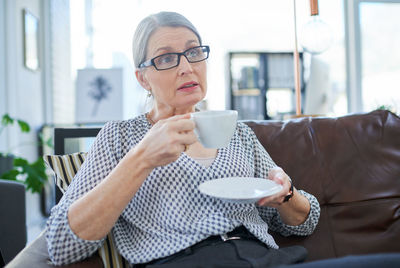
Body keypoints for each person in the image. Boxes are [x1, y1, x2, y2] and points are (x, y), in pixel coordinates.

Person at [46, 11, 320, 267]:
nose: (187, 67)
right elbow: (61, 244)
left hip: (264, 259)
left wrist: (287, 195)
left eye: (194, 51)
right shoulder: (121, 136)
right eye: (165, 58)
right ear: (143, 78)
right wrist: (141, 158)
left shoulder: (237, 132)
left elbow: (302, 222)